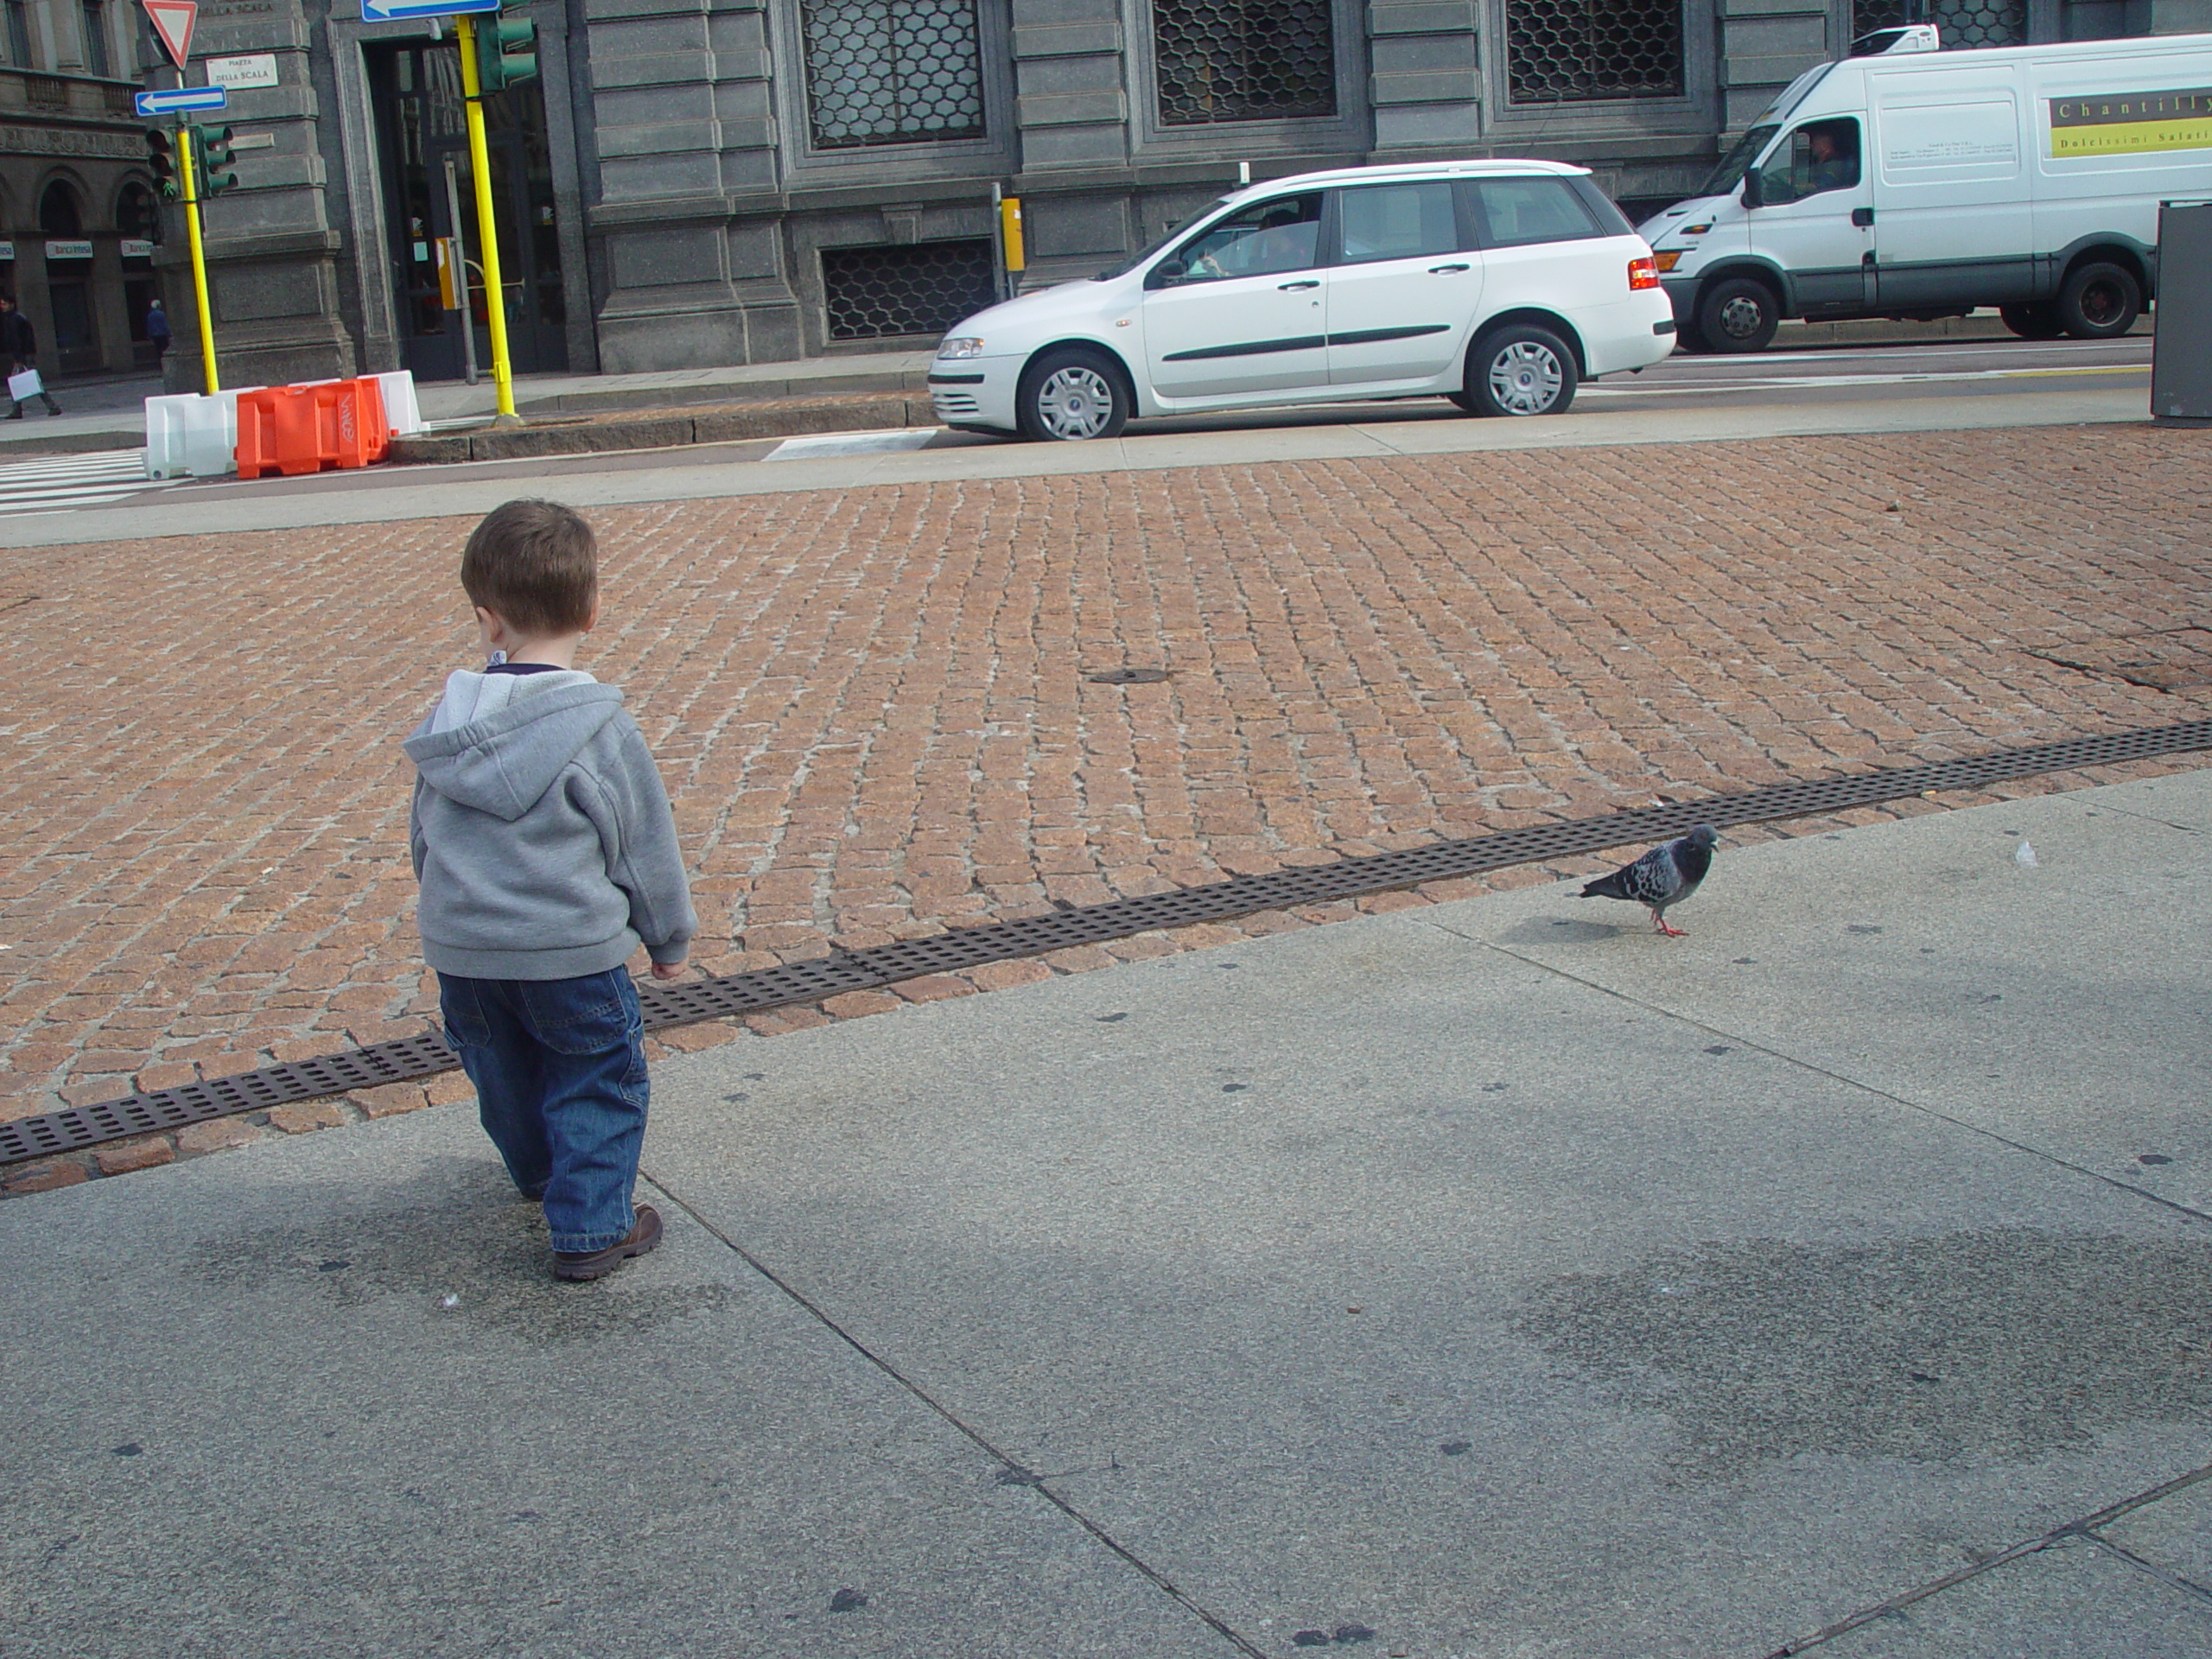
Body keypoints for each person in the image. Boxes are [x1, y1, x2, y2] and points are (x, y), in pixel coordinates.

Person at [403, 499, 696, 1281]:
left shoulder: (448, 726)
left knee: (503, 1076)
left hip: (466, 953)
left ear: (487, 620)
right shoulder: (598, 728)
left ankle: (540, 1174)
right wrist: (666, 937)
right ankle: (593, 1227)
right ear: (593, 611)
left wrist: (450, 909)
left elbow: (424, 835)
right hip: (570, 952)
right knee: (595, 1078)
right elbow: (640, 846)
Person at [0, 294, 61, 417]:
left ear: (12, 304)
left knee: (21, 382)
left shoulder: (15, 319)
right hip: (24, 355)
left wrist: (20, 358)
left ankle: (20, 410)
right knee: (28, 381)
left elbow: (19, 340)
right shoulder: (15, 318)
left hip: (23, 356)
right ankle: (49, 407)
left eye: (4, 303)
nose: (2, 306)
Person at [145, 297, 169, 366]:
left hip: (155, 335)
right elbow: (164, 324)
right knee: (165, 348)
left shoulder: (150, 315)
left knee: (158, 349)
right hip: (162, 334)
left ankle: (160, 363)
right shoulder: (161, 314)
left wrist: (149, 335)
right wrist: (168, 332)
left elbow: (149, 326)